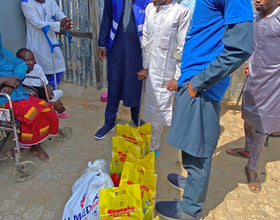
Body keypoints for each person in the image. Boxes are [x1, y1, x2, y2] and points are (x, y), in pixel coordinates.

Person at [155, 0, 254, 219]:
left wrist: (197, 83)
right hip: (194, 81)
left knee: (197, 152)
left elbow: (241, 47)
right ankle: (192, 184)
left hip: (201, 87)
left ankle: (190, 209)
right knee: (190, 144)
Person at [226, 0, 280, 193]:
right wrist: (249, 62)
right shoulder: (256, 17)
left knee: (262, 126)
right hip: (253, 77)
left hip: (273, 83)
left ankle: (252, 166)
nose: (257, 0)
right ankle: (247, 148)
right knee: (248, 117)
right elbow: (255, 45)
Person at [137, 0, 191, 153]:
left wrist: (177, 76)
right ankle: (150, 140)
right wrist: (145, 66)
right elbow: (146, 38)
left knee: (159, 110)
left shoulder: (181, 12)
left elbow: (182, 47)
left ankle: (153, 147)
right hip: (151, 69)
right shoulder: (150, 8)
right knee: (149, 108)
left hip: (167, 72)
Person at [94, 0, 150, 140]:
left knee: (135, 84)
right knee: (114, 84)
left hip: (137, 49)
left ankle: (135, 119)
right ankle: (109, 122)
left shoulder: (147, 1)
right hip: (116, 46)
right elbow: (106, 17)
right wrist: (102, 43)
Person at [0, 34, 59, 162]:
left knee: (46, 107)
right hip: (3, 101)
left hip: (15, 94)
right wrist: (5, 80)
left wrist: (12, 82)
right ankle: (33, 145)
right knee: (32, 114)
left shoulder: (3, 54)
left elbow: (21, 65)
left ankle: (34, 145)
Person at [21, 0, 73, 89]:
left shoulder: (50, 1)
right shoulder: (26, 3)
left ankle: (53, 90)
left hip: (51, 40)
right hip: (37, 43)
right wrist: (58, 24)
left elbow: (58, 12)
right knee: (41, 68)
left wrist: (64, 20)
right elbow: (36, 23)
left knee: (57, 65)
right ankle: (45, 92)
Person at [16, 48, 71, 118]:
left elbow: (46, 83)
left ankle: (50, 106)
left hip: (41, 93)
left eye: (32, 59)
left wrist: (48, 89)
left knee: (58, 92)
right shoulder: (18, 75)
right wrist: (52, 103)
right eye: (27, 60)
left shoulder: (37, 68)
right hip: (30, 99)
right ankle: (51, 107)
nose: (31, 62)